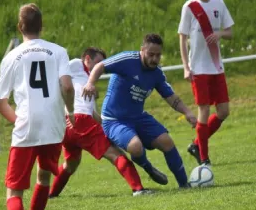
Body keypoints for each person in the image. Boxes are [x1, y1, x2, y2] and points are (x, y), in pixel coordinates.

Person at [0, 3, 75, 210]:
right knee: (43, 179)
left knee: (14, 190)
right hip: (53, 125)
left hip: (27, 125)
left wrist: (18, 119)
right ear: (42, 25)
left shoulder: (11, 57)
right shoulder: (59, 51)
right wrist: (70, 111)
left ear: (20, 27)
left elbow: (0, 104)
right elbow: (67, 87)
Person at [82, 33, 197, 189]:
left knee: (167, 142)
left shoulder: (156, 73)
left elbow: (170, 96)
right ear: (142, 50)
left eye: (158, 55)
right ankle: (149, 168)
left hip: (138, 117)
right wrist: (90, 83)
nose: (154, 59)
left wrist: (187, 112)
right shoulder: (127, 60)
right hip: (114, 120)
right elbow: (99, 66)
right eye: (151, 54)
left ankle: (185, 185)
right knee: (136, 147)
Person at [49, 47, 151, 198]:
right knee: (115, 154)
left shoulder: (86, 78)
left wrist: (106, 124)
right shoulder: (77, 64)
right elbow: (56, 76)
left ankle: (51, 195)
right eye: (98, 62)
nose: (101, 66)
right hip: (78, 120)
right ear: (87, 59)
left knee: (71, 163)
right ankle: (138, 190)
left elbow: (89, 111)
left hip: (68, 123)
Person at [178, 0, 234, 166]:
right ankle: (204, 158)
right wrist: (186, 67)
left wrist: (219, 33)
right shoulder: (189, 7)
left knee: (224, 111)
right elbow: (182, 38)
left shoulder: (219, 3)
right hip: (199, 68)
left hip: (216, 67)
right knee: (204, 109)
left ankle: (196, 145)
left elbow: (230, 32)